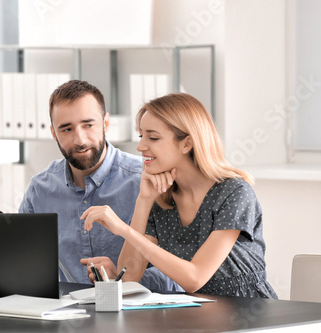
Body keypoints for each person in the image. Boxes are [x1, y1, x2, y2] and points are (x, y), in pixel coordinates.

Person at [82, 93, 277, 298]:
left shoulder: (234, 193)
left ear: (186, 144)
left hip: (249, 313)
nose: (140, 147)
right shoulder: (162, 199)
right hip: (200, 313)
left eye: (153, 137)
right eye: (141, 136)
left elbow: (195, 279)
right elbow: (128, 277)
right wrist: (144, 200)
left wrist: (123, 229)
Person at [19, 80, 181, 291]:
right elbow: (24, 264)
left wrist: (123, 278)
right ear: (53, 133)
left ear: (105, 124)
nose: (80, 140)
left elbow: (178, 274)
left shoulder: (149, 181)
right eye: (66, 129)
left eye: (88, 125)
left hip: (139, 315)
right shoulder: (40, 190)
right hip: (66, 316)